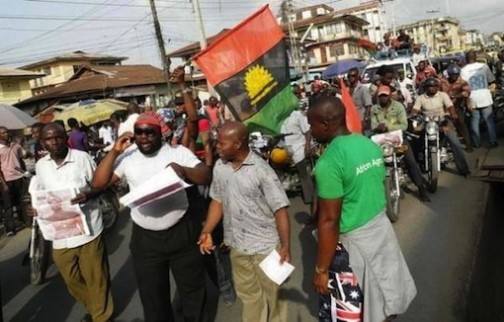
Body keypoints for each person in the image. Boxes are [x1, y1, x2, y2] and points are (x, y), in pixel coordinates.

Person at [92, 113, 211, 322]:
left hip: (181, 232)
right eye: (139, 132)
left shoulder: (177, 152)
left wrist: (183, 170)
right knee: (153, 299)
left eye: (149, 132)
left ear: (160, 134)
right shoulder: (127, 158)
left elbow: (205, 174)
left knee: (193, 292)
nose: (144, 137)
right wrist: (114, 151)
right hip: (146, 240)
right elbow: (98, 183)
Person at [308, 96, 416, 322]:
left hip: (352, 247)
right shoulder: (368, 145)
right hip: (381, 232)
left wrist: (321, 270)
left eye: (312, 124)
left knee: (352, 311)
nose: (310, 130)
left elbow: (329, 220)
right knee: (384, 299)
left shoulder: (329, 162)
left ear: (326, 124)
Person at [199, 121, 291, 322]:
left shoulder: (262, 171)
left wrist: (285, 246)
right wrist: (207, 229)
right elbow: (217, 199)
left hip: (266, 248)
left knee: (275, 300)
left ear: (238, 144)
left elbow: (280, 210)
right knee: (250, 299)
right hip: (238, 248)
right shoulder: (220, 167)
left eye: (221, 144)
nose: (217, 147)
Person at [35, 123, 113, 322]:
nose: (54, 142)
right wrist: (36, 208)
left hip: (88, 229)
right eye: (49, 139)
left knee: (97, 278)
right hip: (60, 235)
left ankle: (102, 317)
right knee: (70, 279)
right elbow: (43, 196)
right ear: (42, 142)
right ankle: (96, 308)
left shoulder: (82, 159)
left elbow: (101, 185)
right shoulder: (41, 165)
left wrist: (88, 195)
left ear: (66, 138)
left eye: (58, 137)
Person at [370, 85, 430, 202]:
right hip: (382, 143)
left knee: (410, 161)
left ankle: (421, 189)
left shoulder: (398, 106)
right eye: (381, 96)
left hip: (398, 141)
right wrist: (378, 127)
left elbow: (404, 125)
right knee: (372, 162)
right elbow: (372, 125)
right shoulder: (374, 109)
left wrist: (388, 126)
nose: (383, 98)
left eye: (385, 96)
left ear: (389, 96)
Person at [411, 77, 471, 176]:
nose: (432, 88)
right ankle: (420, 164)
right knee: (416, 139)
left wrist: (453, 113)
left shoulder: (443, 95)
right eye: (430, 86)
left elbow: (450, 106)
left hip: (442, 121)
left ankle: (464, 169)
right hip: (427, 123)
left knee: (455, 142)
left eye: (434, 86)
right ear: (426, 88)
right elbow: (415, 109)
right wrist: (413, 114)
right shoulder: (420, 98)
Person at [460, 51, 498, 148]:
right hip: (485, 96)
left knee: (474, 121)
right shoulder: (484, 66)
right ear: (476, 57)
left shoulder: (463, 70)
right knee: (489, 120)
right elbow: (491, 80)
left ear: (466, 58)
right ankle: (492, 141)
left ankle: (477, 143)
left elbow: (463, 87)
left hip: (472, 98)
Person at [280, 107, 314, 205]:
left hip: (298, 147)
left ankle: (310, 199)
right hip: (285, 149)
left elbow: (307, 131)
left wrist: (307, 145)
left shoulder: (297, 115)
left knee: (303, 173)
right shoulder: (279, 118)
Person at [0, 126, 28, 234]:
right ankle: (10, 228)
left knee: (23, 202)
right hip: (7, 180)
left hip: (20, 177)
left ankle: (26, 221)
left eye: (7, 132)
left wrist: (24, 147)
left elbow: (24, 155)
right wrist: (3, 184)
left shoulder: (15, 146)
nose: (6, 134)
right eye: (3, 133)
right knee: (8, 206)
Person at [440, 64, 473, 151]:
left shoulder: (462, 82)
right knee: (443, 126)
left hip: (457, 107)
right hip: (445, 108)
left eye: (456, 75)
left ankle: (469, 145)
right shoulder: (442, 82)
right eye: (452, 75)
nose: (454, 77)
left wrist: (458, 96)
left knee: (462, 124)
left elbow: (467, 92)